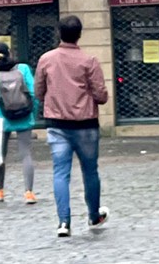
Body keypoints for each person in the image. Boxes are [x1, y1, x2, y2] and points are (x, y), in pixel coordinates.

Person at [34, 16, 109, 238]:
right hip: (85, 124)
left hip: (57, 124)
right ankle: (94, 215)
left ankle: (63, 222)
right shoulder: (89, 60)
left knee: (60, 172)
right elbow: (101, 95)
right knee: (90, 171)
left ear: (59, 33)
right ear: (79, 34)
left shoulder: (46, 59)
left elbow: (39, 91)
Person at [0, 41, 37, 204]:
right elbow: (34, 93)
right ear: (9, 52)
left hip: (2, 120)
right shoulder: (23, 69)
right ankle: (29, 193)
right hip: (24, 117)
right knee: (26, 154)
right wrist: (32, 114)